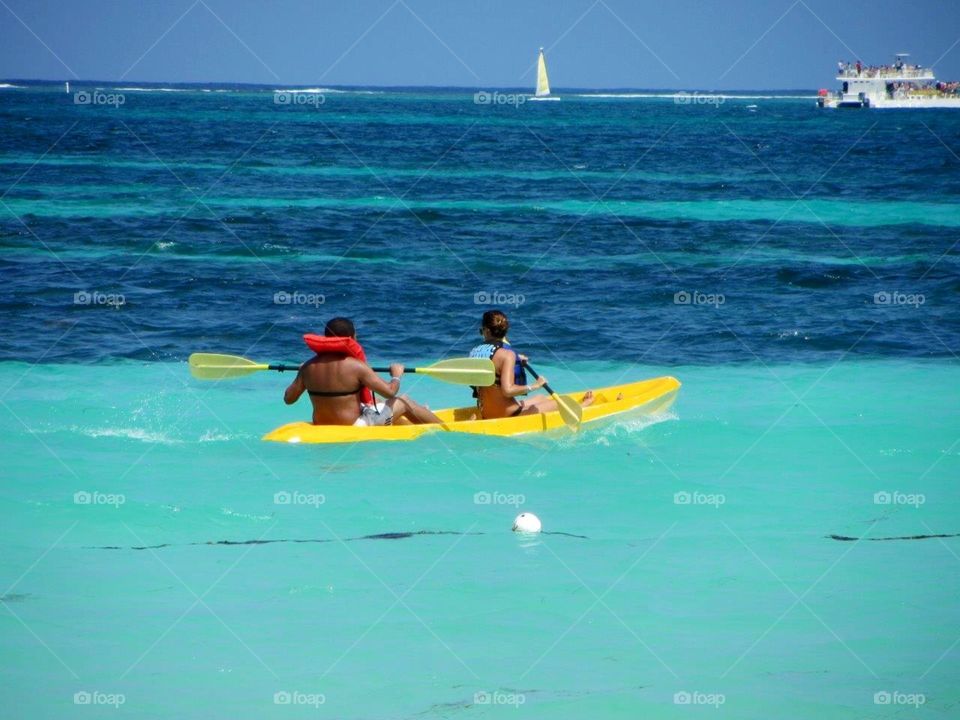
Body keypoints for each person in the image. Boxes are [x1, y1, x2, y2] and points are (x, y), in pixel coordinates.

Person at [284, 317, 441, 426]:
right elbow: (390, 392)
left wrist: (302, 373)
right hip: (356, 425)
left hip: (322, 423)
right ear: (352, 338)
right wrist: (396, 376)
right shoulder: (356, 366)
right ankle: (444, 427)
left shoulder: (308, 367)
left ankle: (412, 418)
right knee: (403, 400)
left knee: (378, 402)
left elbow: (288, 399)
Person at [469, 309, 593, 419]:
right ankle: (584, 405)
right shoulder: (507, 355)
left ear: (487, 331)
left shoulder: (475, 352)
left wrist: (516, 360)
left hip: (486, 412)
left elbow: (493, 363)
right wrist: (535, 386)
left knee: (541, 398)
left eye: (481, 331)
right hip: (508, 414)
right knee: (560, 403)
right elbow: (507, 390)